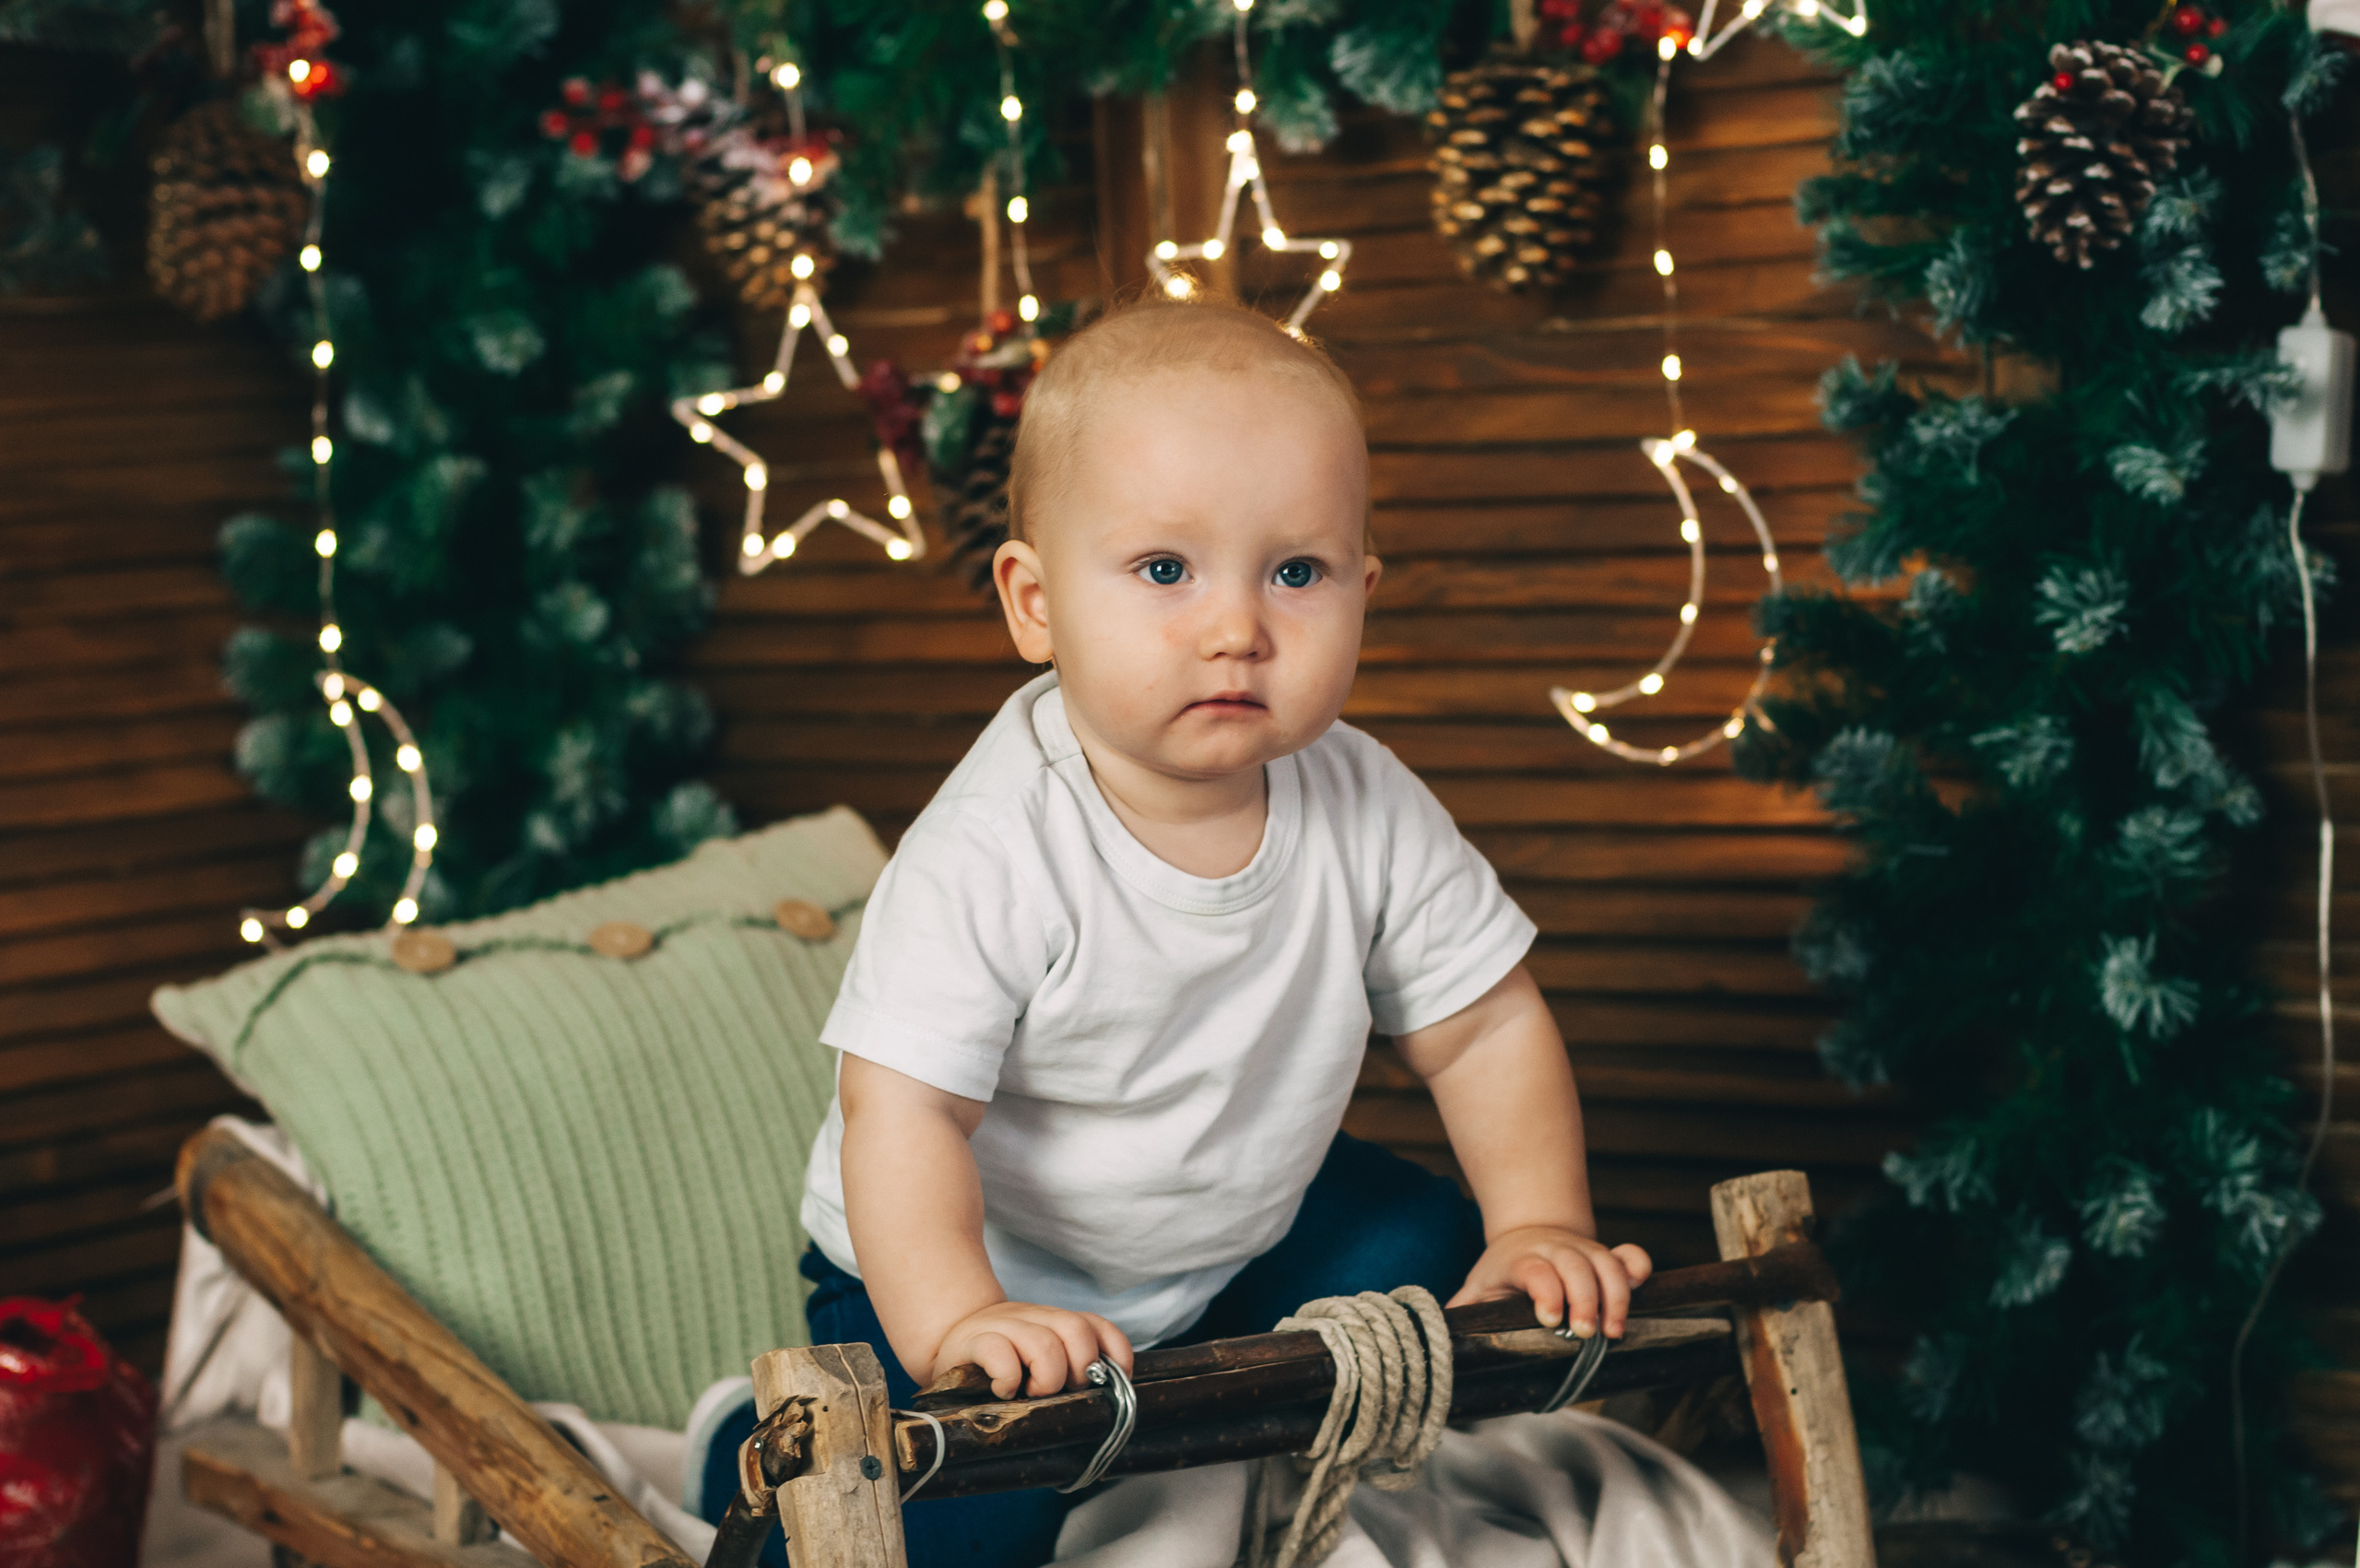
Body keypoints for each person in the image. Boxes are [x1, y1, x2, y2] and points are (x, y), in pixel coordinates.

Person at [791, 294, 1651, 1567]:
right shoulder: (995, 842)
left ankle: (1183, 1388)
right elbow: (902, 1112)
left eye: (1296, 572)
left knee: (1427, 1251)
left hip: (1215, 1242)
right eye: (1164, 570)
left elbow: (1483, 1028)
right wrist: (961, 1318)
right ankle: (761, 1455)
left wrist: (1538, 1215)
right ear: (1035, 602)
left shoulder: (1364, 798)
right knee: (966, 1499)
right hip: (948, 1258)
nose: (1237, 626)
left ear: (1365, 588)